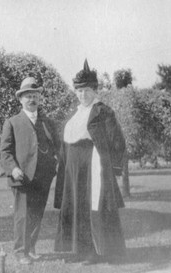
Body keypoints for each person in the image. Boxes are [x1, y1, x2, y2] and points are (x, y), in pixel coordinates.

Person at [54, 59, 126, 265]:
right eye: (78, 91)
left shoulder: (103, 112)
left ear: (95, 90)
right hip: (72, 168)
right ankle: (78, 249)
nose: (82, 95)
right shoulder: (75, 114)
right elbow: (66, 142)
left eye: (86, 91)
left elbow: (117, 141)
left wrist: (114, 168)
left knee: (91, 207)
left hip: (92, 166)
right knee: (75, 205)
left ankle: (96, 251)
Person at [0, 77, 60, 265]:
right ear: (20, 99)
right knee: (22, 216)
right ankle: (20, 252)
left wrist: (55, 163)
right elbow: (5, 151)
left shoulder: (47, 122)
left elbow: (57, 146)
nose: (32, 99)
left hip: (43, 177)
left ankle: (31, 248)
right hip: (21, 177)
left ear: (39, 98)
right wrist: (14, 168)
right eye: (28, 96)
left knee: (37, 214)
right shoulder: (12, 122)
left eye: (35, 96)